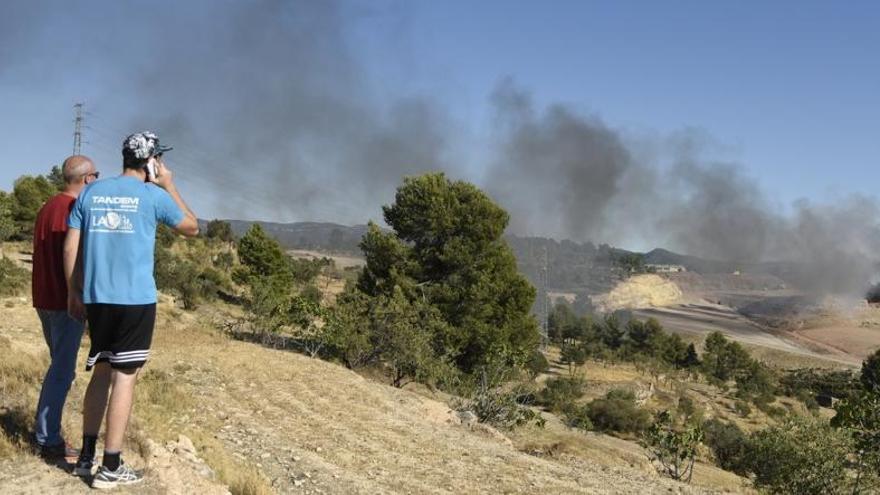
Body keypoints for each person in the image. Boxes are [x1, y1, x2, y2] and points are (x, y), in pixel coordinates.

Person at [65, 131, 199, 488]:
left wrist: (73, 291)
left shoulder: (91, 191)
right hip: (135, 300)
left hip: (97, 297)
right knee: (125, 377)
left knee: (101, 371)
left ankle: (85, 457)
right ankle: (110, 466)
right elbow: (192, 227)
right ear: (152, 161)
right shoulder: (152, 195)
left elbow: (71, 245)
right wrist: (169, 184)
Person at [32, 155, 99, 460]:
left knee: (58, 367)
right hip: (64, 302)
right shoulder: (74, 209)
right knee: (61, 370)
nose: (96, 181)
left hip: (43, 299)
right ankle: (48, 440)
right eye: (95, 175)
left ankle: (47, 432)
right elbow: (75, 254)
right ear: (86, 179)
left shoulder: (47, 207)